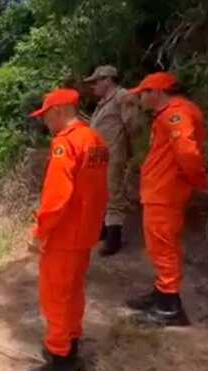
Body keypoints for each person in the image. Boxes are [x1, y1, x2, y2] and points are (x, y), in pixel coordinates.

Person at [27, 88, 109, 371]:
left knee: (56, 298)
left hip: (64, 234)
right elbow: (98, 190)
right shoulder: (96, 140)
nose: (45, 122)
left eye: (46, 115)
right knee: (73, 293)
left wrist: (40, 233)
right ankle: (70, 349)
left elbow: (56, 198)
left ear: (59, 111)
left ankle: (59, 366)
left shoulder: (66, 143)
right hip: (85, 232)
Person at [126, 72, 208, 327]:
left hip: (165, 192)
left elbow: (187, 152)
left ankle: (169, 308)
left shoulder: (177, 114)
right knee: (159, 246)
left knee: (163, 247)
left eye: (143, 93)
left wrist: (200, 182)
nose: (139, 98)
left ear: (157, 93)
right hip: (160, 190)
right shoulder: (169, 114)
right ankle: (162, 293)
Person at [84, 65, 141, 256]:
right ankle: (103, 230)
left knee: (113, 193)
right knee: (99, 193)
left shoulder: (122, 96)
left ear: (107, 80)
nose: (94, 86)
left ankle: (113, 238)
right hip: (99, 156)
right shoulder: (104, 102)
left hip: (113, 154)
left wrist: (130, 150)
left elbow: (133, 125)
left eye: (96, 81)